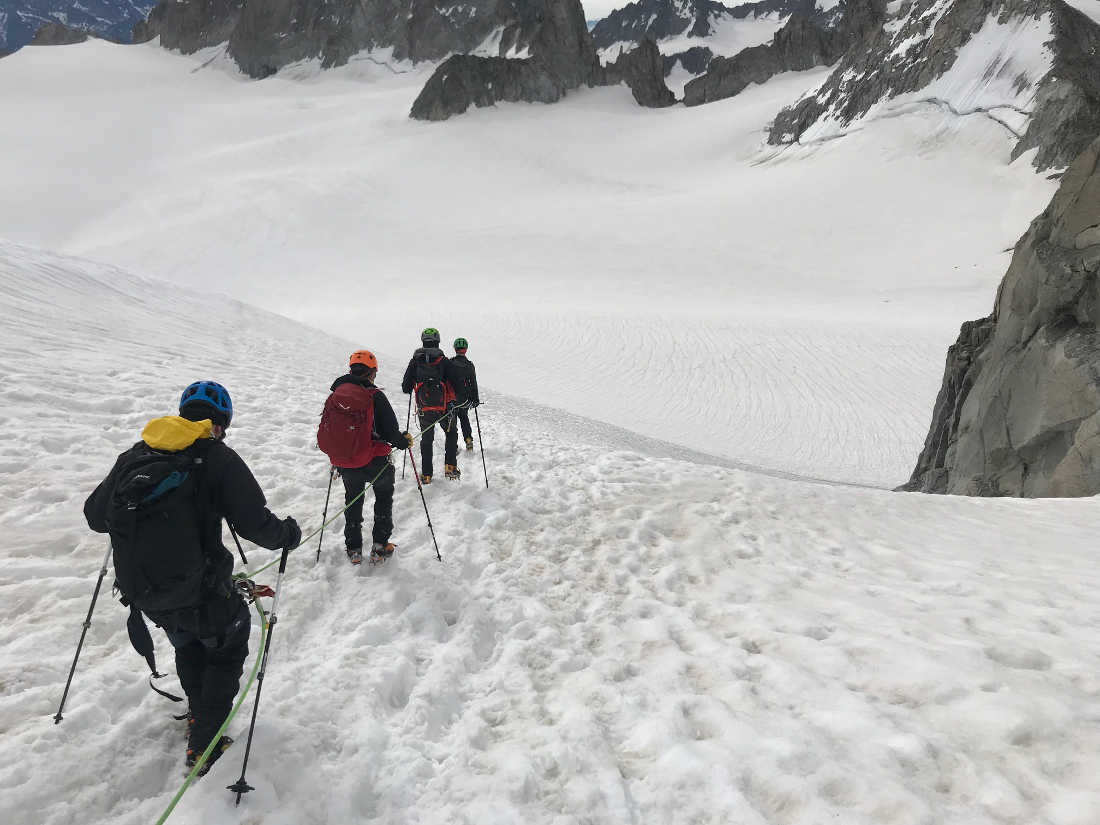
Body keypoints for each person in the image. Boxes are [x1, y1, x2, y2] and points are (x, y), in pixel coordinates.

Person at [84, 381, 300, 772]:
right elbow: (255, 523)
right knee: (227, 643)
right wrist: (287, 535)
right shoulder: (217, 458)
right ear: (221, 422)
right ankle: (206, 741)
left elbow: (95, 516)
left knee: (189, 644)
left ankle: (200, 713)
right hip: (199, 589)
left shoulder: (137, 452)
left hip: (145, 592)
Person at [323, 350, 412, 564]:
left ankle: (353, 548)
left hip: (346, 461)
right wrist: (403, 441)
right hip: (376, 460)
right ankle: (380, 546)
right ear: (371, 372)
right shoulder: (375, 396)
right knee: (383, 498)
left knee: (353, 500)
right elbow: (391, 431)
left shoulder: (336, 396)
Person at [402, 327, 462, 482]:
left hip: (424, 408)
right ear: (437, 341)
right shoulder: (444, 361)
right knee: (451, 433)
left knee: (427, 440)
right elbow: (456, 382)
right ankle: (450, 467)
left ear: (423, 341)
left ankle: (427, 475)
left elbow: (405, 387)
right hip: (444, 407)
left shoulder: (415, 361)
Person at [449, 337, 480, 451]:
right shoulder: (469, 365)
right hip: (464, 398)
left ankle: (453, 445)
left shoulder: (450, 363)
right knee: (464, 418)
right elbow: (473, 383)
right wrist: (475, 399)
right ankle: (468, 440)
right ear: (466, 349)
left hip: (452, 399)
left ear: (455, 349)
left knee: (452, 422)